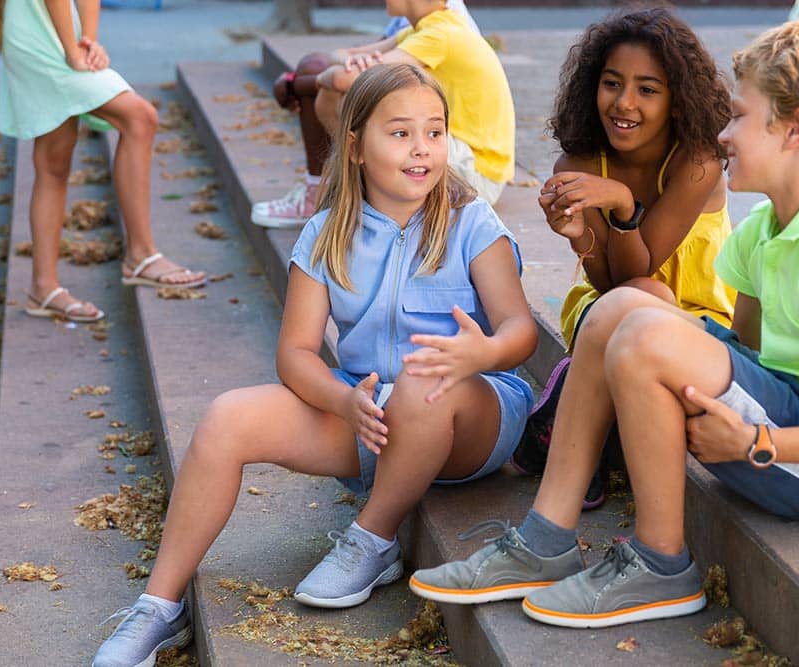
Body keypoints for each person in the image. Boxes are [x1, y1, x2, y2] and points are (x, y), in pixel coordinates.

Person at [410, 20, 799, 631]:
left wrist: (757, 444)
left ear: (797, 129)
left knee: (646, 332)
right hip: (781, 413)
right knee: (615, 311)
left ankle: (661, 562)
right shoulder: (769, 228)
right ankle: (545, 538)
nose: (723, 132)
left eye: (739, 117)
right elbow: (750, 352)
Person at [93, 63, 536, 666]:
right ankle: (158, 608)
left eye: (435, 132)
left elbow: (520, 332)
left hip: (470, 413)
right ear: (355, 146)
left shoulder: (470, 222)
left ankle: (373, 538)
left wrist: (482, 352)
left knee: (427, 379)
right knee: (227, 418)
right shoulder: (327, 232)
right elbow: (295, 355)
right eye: (401, 133)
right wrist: (341, 402)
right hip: (368, 410)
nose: (422, 149)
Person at [508, 8, 736, 509]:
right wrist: (578, 238)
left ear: (678, 100)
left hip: (699, 319)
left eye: (647, 89)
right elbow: (616, 283)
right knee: (644, 298)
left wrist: (624, 205)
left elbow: (644, 267)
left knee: (651, 302)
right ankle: (585, 434)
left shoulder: (696, 162)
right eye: (612, 83)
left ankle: (566, 425)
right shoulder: (580, 163)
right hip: (607, 311)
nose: (624, 103)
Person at [0, 0, 204, 323]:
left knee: (54, 161)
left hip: (54, 27)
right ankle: (139, 254)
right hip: (39, 31)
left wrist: (89, 41)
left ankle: (45, 287)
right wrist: (73, 48)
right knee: (139, 118)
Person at [252, 0, 513, 229]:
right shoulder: (421, 28)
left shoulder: (440, 34)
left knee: (348, 99)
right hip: (458, 157)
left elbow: (345, 78)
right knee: (351, 100)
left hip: (476, 174)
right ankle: (339, 193)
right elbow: (341, 57)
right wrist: (337, 71)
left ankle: (334, 194)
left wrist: (319, 79)